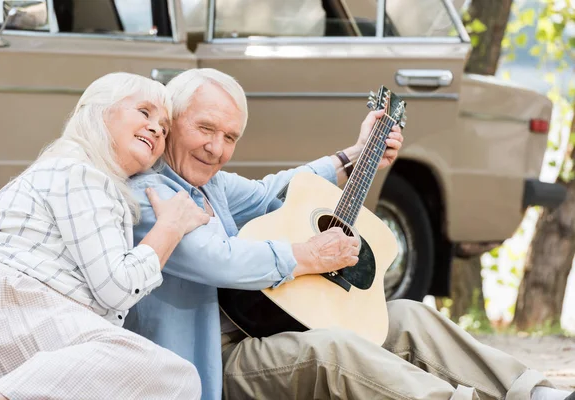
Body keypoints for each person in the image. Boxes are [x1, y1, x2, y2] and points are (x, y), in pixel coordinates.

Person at [125, 68, 573, 400]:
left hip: (259, 331)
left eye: (229, 137)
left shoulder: (210, 183)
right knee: (334, 349)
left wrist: (353, 155)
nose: (217, 148)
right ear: (170, 120)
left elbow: (275, 190)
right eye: (205, 129)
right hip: (208, 365)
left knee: (405, 317)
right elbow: (217, 258)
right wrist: (308, 254)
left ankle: (532, 392)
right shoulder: (149, 193)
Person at [0, 72, 209, 400]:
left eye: (165, 128)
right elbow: (117, 288)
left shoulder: (66, 170)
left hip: (7, 311)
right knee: (175, 376)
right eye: (144, 112)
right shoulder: (81, 172)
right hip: (18, 302)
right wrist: (170, 226)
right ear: (99, 112)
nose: (157, 128)